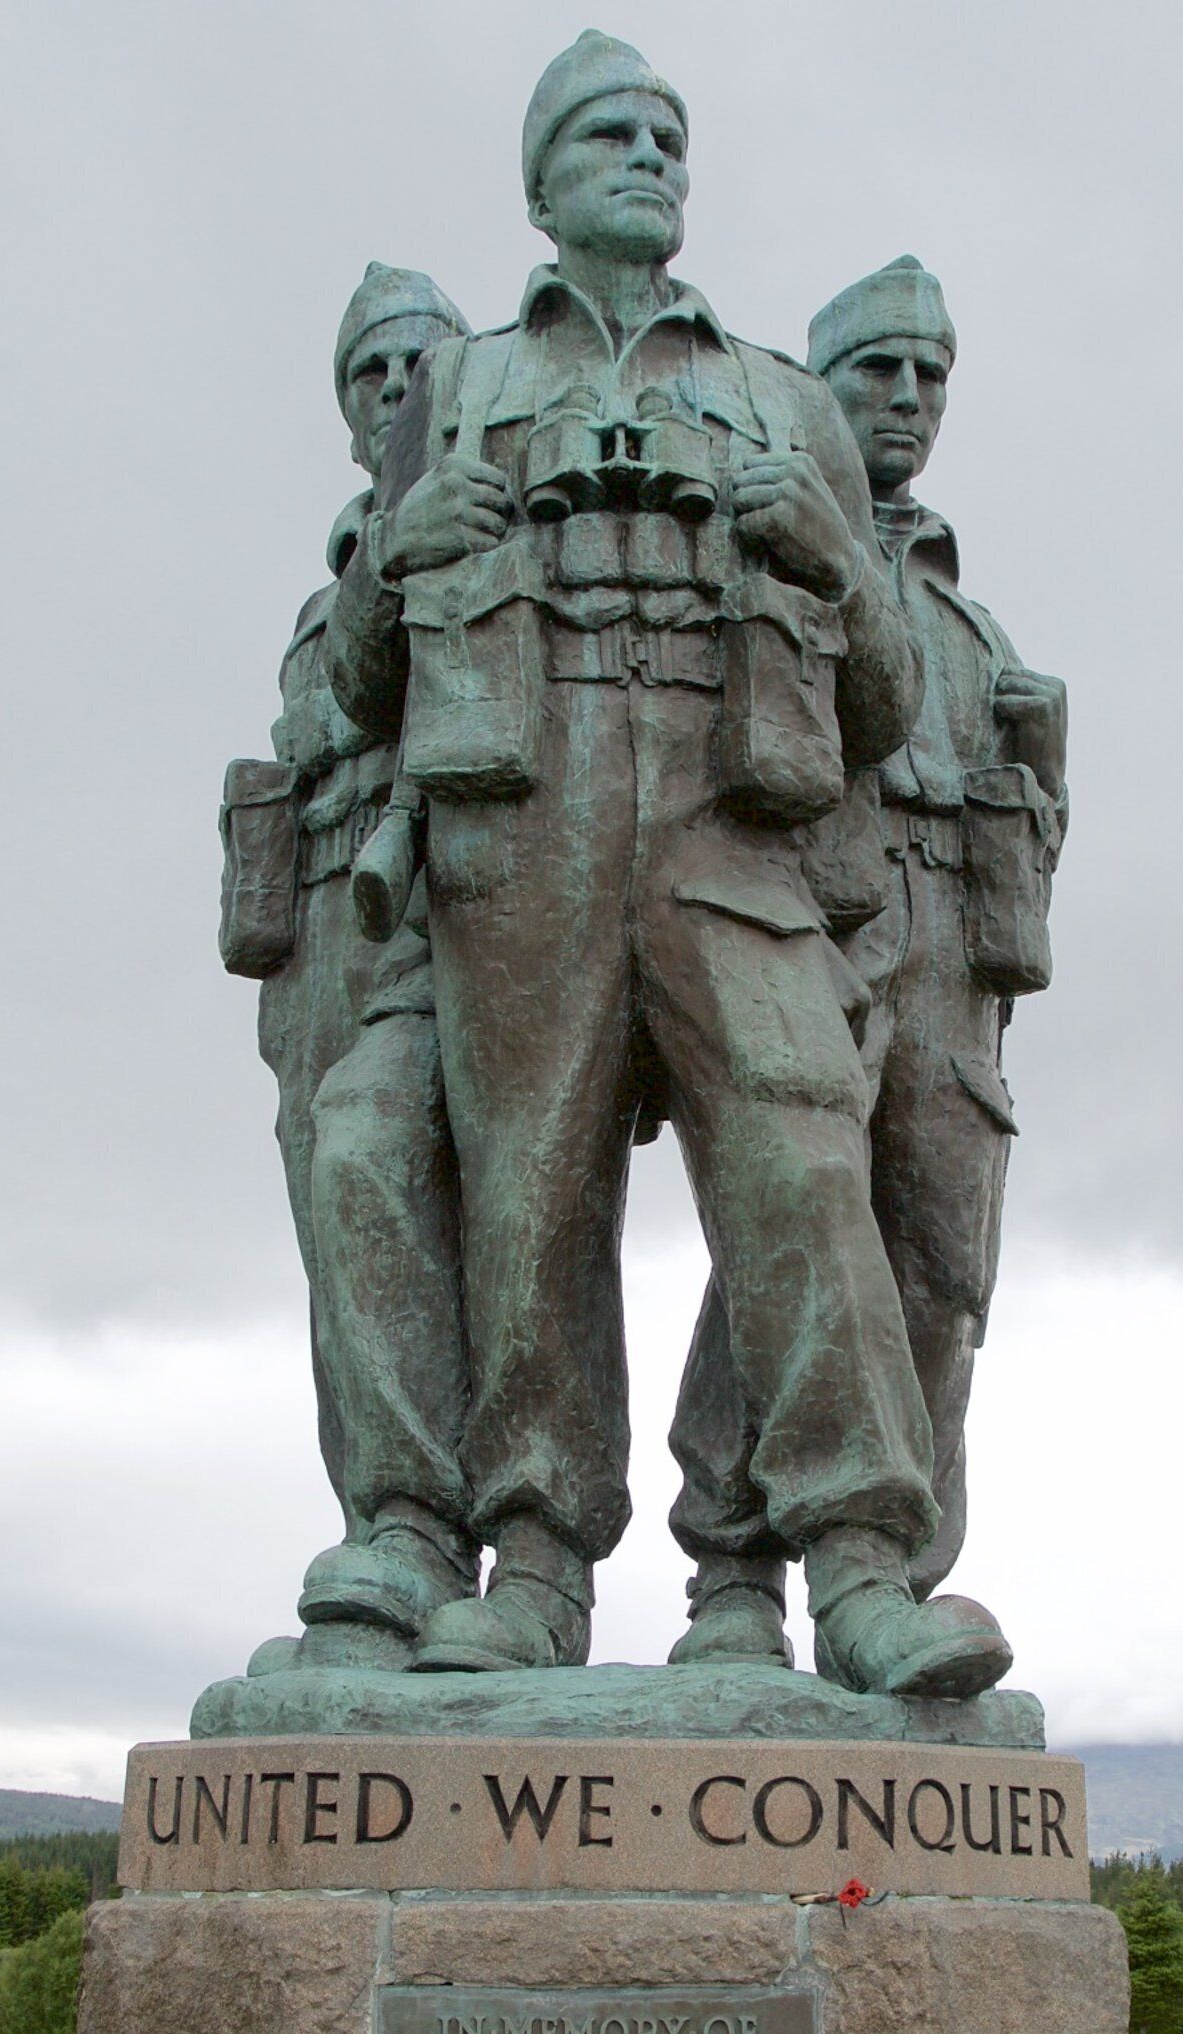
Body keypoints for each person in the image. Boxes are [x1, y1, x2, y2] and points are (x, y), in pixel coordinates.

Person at [321, 32, 1008, 1697]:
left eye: (667, 137)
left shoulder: (783, 398)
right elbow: (359, 684)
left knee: (803, 1163)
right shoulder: (458, 387)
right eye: (608, 136)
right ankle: (537, 1567)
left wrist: (834, 557)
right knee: (529, 1197)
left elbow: (882, 705)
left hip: (731, 836)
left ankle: (860, 1568)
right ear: (540, 185)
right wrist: (391, 566)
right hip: (520, 835)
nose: (647, 158)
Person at [662, 257, 1068, 1678]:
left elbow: (1034, 831)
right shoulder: (762, 546)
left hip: (956, 960)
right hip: (816, 923)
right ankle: (734, 1570)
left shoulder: (971, 624)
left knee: (944, 1272)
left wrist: (1044, 768)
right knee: (789, 1231)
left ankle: (894, 1579)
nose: (907, 397)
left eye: (929, 374)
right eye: (876, 370)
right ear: (818, 393)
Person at [220, 265, 480, 1671]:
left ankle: (434, 1524)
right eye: (368, 370)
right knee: (340, 1240)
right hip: (318, 923)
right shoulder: (331, 584)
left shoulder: (481, 519)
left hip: (441, 906)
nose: (393, 387)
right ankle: (386, 1543)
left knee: (403, 1179)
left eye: (416, 361)